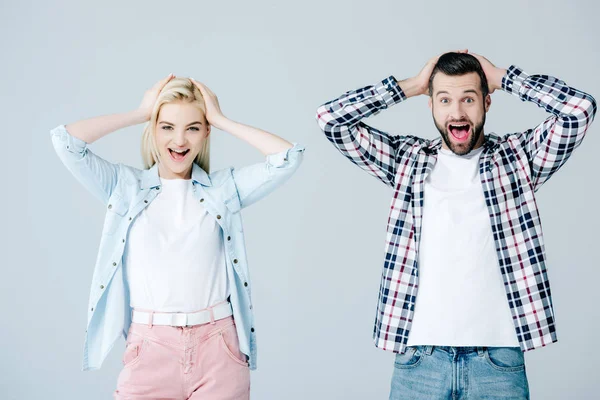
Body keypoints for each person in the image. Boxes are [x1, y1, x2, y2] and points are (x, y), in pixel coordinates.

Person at [315, 50, 596, 399]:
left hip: (498, 359)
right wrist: (411, 86)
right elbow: (331, 120)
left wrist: (504, 76)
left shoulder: (519, 159)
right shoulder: (407, 161)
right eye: (444, 99)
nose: (457, 112)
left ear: (487, 103)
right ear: (431, 105)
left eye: (469, 98)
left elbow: (579, 110)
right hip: (419, 359)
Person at [51, 74, 305, 399]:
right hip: (150, 346)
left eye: (193, 127)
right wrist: (139, 113)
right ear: (153, 130)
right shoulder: (125, 187)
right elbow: (65, 142)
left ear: (206, 132)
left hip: (219, 348)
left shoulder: (223, 189)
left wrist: (221, 119)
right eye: (167, 126)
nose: (180, 140)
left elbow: (288, 158)